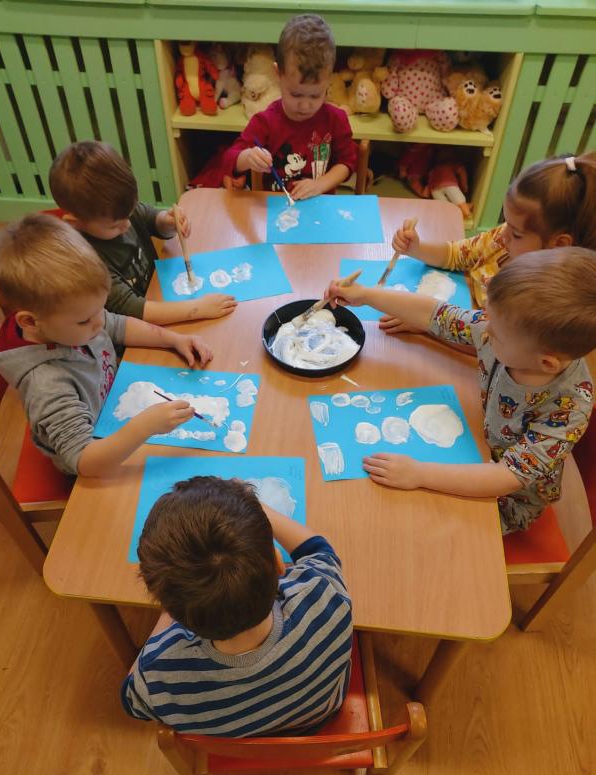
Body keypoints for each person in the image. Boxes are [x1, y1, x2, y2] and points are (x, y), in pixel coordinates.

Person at [325, 247, 596, 534]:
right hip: (478, 443)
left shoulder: (568, 408)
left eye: (496, 334)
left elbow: (507, 477)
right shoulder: (511, 333)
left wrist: (419, 474)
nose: (484, 331)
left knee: (406, 528)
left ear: (546, 363)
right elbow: (437, 314)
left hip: (507, 499)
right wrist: (365, 295)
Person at [121, 476, 353, 735]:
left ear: (167, 607)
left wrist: (170, 604)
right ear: (279, 564)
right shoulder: (326, 596)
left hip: (233, 743)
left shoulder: (159, 676)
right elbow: (318, 549)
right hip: (315, 719)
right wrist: (252, 504)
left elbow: (131, 699)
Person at [0, 214, 213, 478]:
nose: (99, 322)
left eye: (101, 309)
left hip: (112, 409)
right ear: (30, 321)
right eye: (85, 320)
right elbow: (85, 461)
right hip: (97, 459)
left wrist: (174, 340)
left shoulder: (72, 321)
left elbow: (117, 325)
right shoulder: (47, 385)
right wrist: (144, 427)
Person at [381, 151, 596, 332]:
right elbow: (456, 254)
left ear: (559, 245)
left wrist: (427, 325)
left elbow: (492, 339)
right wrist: (417, 248)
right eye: (506, 222)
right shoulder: (502, 240)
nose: (503, 235)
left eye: (516, 233)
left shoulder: (542, 295)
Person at [49, 141, 237, 324]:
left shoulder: (118, 211)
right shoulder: (89, 265)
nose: (127, 225)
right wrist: (198, 309)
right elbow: (134, 310)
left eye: (129, 214)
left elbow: (151, 219)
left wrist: (168, 221)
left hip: (159, 291)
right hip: (139, 328)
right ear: (75, 223)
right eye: (114, 226)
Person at [223, 14, 358, 200]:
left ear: (329, 79)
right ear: (277, 74)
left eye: (316, 95)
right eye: (295, 94)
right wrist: (247, 158)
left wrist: (320, 184)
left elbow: (348, 162)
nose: (305, 105)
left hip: (320, 207)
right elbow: (229, 159)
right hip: (277, 209)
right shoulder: (266, 122)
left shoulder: (335, 119)